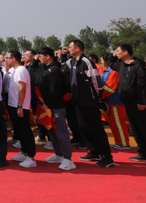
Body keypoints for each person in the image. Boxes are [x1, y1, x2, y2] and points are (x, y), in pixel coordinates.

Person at [66, 40, 115, 168]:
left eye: (70, 47)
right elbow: (64, 67)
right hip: (78, 101)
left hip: (89, 101)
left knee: (95, 129)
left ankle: (107, 157)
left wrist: (97, 98)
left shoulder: (86, 62)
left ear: (77, 48)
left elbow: (96, 81)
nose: (68, 49)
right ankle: (94, 152)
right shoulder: (73, 62)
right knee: (83, 128)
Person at [113, 44, 146, 167]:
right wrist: (114, 55)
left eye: (117, 51)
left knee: (145, 130)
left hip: (138, 104)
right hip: (127, 103)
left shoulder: (138, 66)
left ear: (126, 52)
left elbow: (143, 85)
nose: (115, 53)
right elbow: (110, 63)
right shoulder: (121, 65)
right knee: (135, 129)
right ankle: (142, 153)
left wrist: (142, 102)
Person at [37, 47, 76, 171]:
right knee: (52, 131)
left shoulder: (54, 70)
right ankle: (59, 154)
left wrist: (47, 103)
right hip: (49, 107)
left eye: (41, 56)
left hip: (56, 106)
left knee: (61, 132)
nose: (39, 58)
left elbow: (55, 90)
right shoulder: (47, 69)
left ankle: (68, 159)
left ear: (48, 56)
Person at [5, 50, 37, 168]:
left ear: (14, 59)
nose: (6, 60)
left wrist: (20, 106)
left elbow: (22, 89)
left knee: (25, 131)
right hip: (13, 105)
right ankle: (24, 152)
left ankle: (31, 157)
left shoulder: (21, 70)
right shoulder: (15, 70)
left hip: (20, 106)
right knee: (19, 131)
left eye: (8, 58)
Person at [99, 54, 131, 150]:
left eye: (102, 60)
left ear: (106, 61)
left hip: (115, 102)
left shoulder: (113, 72)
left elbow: (109, 88)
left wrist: (100, 96)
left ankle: (124, 144)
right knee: (113, 124)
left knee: (118, 124)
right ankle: (118, 142)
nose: (101, 62)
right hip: (110, 102)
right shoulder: (106, 71)